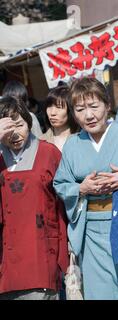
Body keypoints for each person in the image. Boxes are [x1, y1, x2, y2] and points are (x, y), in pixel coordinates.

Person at [53, 77, 118, 300]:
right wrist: (81, 188)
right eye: (80, 109)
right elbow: (60, 184)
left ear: (107, 105)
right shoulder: (72, 144)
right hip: (91, 233)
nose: (88, 115)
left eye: (94, 106)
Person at [0, 96, 69, 300]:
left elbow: (64, 205)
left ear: (29, 122)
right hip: (5, 256)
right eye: (7, 129)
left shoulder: (49, 153)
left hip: (41, 251)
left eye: (20, 125)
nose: (15, 134)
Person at [40, 85, 79, 151]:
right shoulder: (40, 142)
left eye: (59, 107)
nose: (52, 113)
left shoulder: (83, 137)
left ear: (70, 110)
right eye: (49, 107)